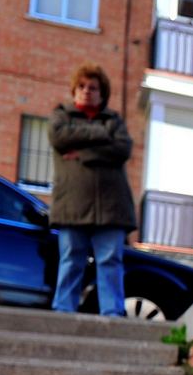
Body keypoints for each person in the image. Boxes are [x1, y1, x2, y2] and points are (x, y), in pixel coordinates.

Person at [47, 64, 136, 315]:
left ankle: (112, 313)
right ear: (74, 90)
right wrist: (101, 136)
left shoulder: (114, 120)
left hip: (111, 207)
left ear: (102, 93)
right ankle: (64, 310)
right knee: (71, 259)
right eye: (82, 86)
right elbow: (60, 138)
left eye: (93, 87)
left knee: (110, 261)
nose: (87, 91)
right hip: (72, 205)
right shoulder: (61, 116)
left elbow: (122, 149)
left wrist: (84, 153)